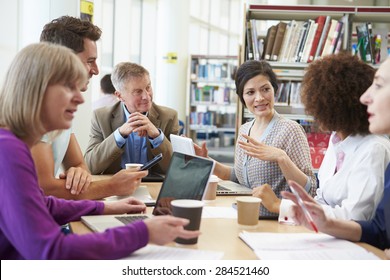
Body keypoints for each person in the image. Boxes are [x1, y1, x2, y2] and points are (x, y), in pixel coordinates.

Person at [0, 43, 199, 259]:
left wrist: (104, 208)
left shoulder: (12, 144)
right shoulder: (9, 150)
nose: (80, 98)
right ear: (35, 89)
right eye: (69, 87)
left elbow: (43, 204)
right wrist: (143, 231)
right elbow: (51, 250)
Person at [282, 57, 390, 252]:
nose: (316, 115)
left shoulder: (374, 149)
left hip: (352, 247)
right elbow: (323, 196)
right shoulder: (335, 141)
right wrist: (306, 210)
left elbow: (357, 216)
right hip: (329, 240)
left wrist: (280, 206)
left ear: (337, 107)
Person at [31, 16, 145, 200]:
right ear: (63, 59)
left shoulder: (59, 106)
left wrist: (79, 174)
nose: (96, 70)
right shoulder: (36, 108)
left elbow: (79, 164)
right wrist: (113, 186)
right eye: (90, 61)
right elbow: (45, 188)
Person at [195, 60, 316, 218]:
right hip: (245, 217)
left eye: (265, 89)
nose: (259, 98)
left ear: (274, 90)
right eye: (250, 92)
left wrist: (282, 158)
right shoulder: (245, 129)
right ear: (242, 97)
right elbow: (241, 178)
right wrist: (207, 161)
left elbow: (310, 189)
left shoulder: (290, 130)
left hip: (275, 222)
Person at [84, 62, 179, 175]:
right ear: (120, 96)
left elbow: (176, 169)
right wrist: (119, 134)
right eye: (138, 92)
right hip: (115, 188)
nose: (146, 96)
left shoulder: (169, 117)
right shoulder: (101, 117)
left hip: (154, 188)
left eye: (148, 87)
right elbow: (89, 166)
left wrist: (157, 136)